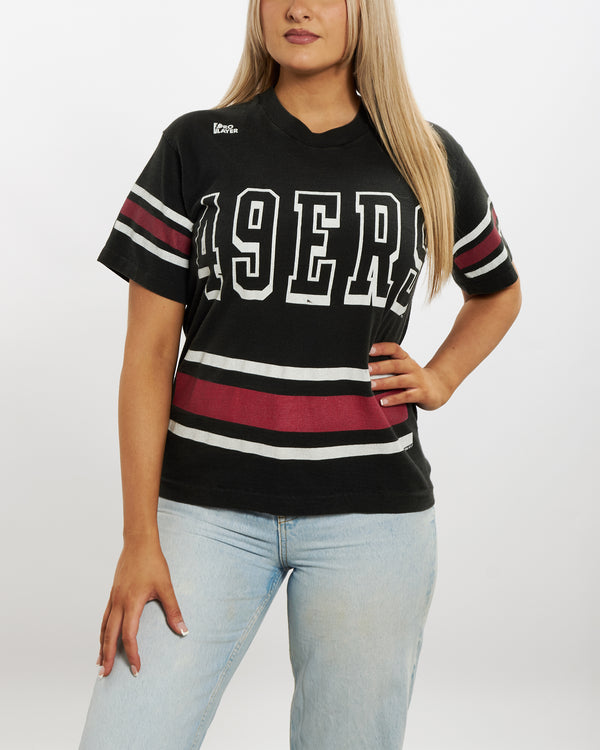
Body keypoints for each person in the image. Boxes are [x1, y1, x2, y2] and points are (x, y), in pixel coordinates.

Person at [79, 1, 522, 748]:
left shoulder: (425, 155)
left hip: (372, 519)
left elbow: (498, 291)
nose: (298, 6)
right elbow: (148, 355)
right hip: (204, 514)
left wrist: (442, 376)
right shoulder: (196, 145)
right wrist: (139, 538)